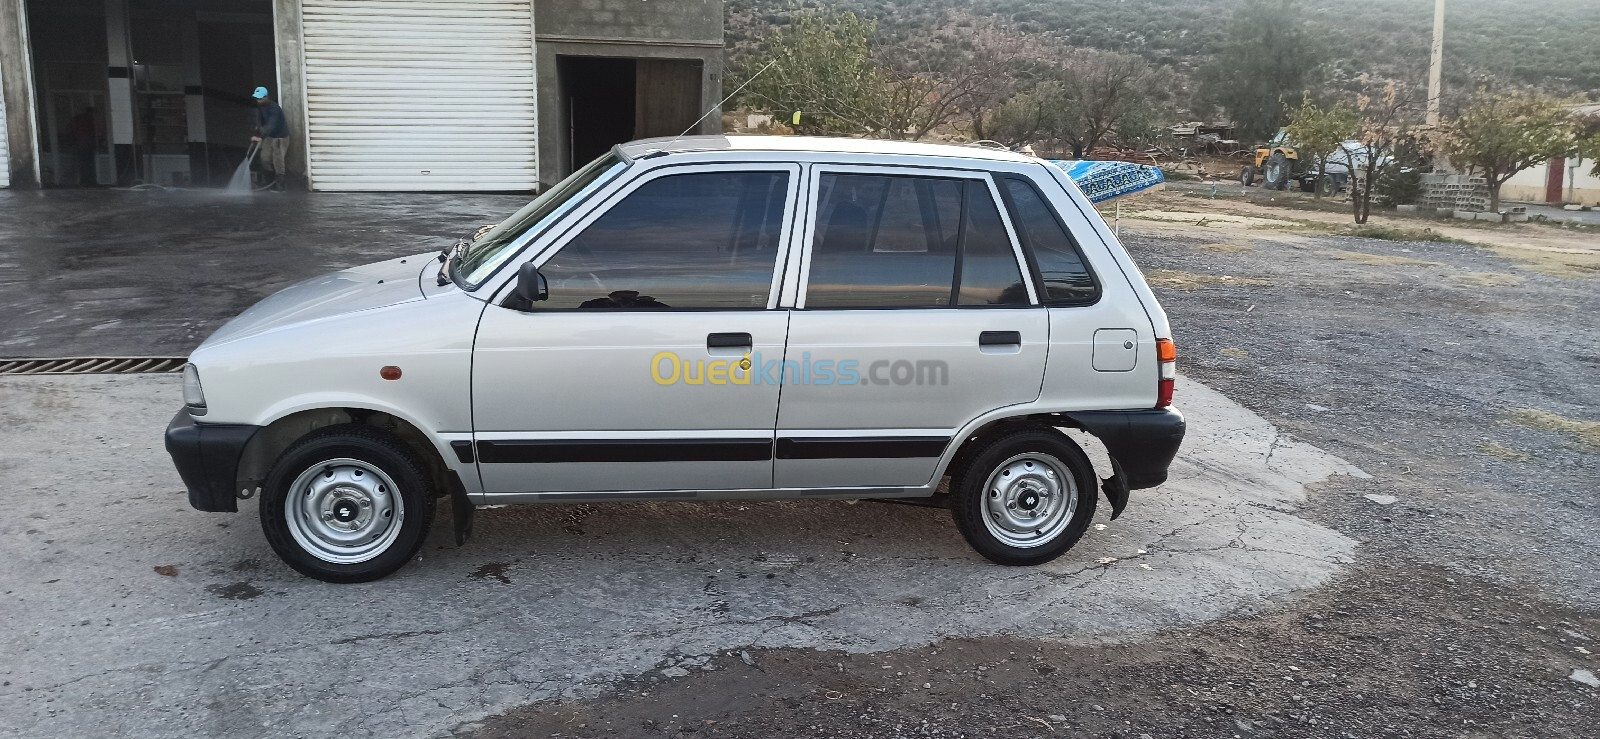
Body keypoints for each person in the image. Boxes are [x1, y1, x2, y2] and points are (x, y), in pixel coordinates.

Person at [251, 86, 290, 191]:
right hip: (269, 136)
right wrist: (257, 133)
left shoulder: (274, 108)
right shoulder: (260, 107)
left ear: (266, 97)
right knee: (264, 158)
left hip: (280, 136)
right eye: (257, 98)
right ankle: (268, 182)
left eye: (260, 98)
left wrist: (261, 136)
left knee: (277, 159)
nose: (258, 100)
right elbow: (259, 122)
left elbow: (271, 125)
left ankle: (281, 184)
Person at [68, 107, 99, 186]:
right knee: (88, 164)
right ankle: (88, 181)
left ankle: (85, 181)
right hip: (86, 146)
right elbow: (91, 134)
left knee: (84, 164)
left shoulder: (78, 120)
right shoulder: (87, 121)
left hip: (81, 146)